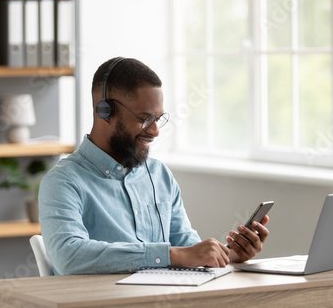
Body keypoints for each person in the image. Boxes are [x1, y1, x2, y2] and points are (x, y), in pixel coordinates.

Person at [39, 57, 269, 275]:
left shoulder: (159, 175)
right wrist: (170, 255)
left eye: (157, 119)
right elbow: (68, 256)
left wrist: (228, 255)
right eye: (145, 119)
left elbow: (187, 249)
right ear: (104, 112)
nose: (155, 131)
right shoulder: (63, 181)